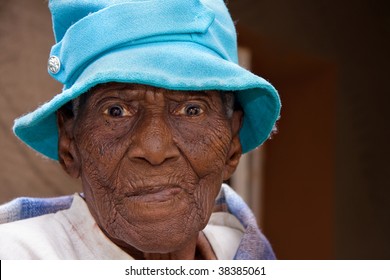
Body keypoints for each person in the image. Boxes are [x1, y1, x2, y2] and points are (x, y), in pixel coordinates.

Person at [0, 0, 280, 260]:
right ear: (69, 144)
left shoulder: (240, 250)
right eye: (116, 111)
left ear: (231, 145)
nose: (154, 150)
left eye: (192, 110)